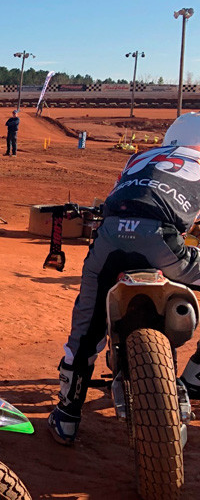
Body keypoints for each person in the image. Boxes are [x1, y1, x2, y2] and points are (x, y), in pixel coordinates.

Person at [48, 113, 200, 445]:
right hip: (164, 243)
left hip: (110, 239)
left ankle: (68, 414)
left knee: (86, 326)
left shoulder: (140, 157)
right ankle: (197, 372)